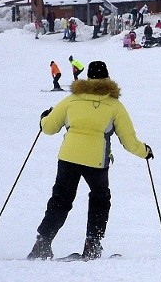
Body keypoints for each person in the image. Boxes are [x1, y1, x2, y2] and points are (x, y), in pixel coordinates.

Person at [27, 61, 154, 260]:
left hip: (68, 158)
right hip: (96, 161)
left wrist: (44, 117)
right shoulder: (115, 106)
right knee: (100, 199)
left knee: (60, 200)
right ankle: (92, 244)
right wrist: (144, 151)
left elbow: (48, 128)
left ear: (88, 78)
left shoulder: (71, 100)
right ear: (107, 79)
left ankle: (42, 243)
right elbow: (129, 141)